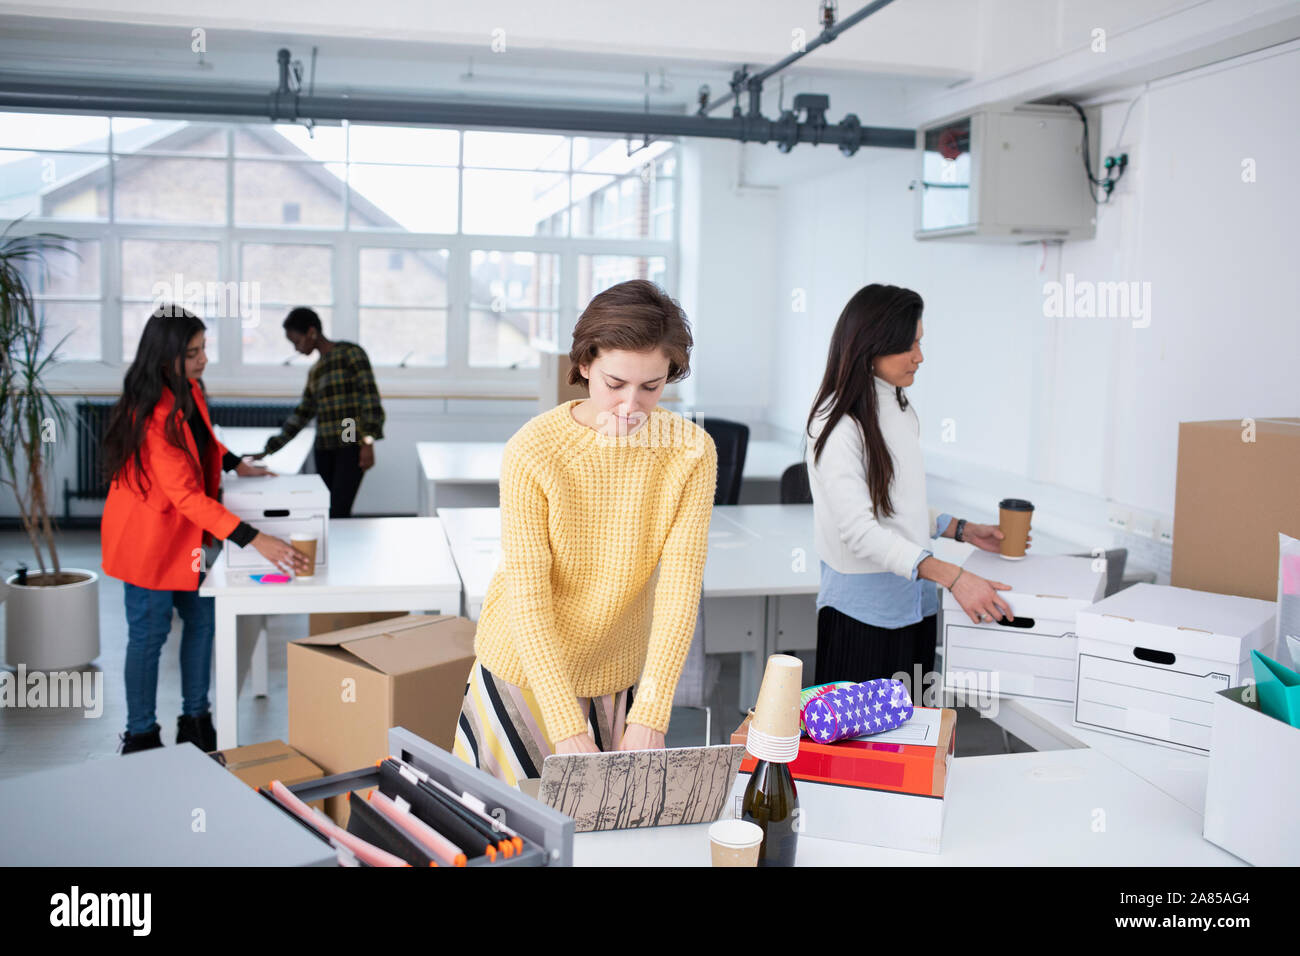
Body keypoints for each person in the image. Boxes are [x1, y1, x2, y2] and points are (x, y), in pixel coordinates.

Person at [452, 280, 718, 787]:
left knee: (601, 840)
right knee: (505, 834)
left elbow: (680, 593)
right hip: (523, 672)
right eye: (615, 384)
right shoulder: (534, 450)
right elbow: (529, 597)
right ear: (585, 363)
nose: (630, 406)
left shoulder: (691, 452)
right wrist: (567, 728)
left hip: (615, 677)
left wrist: (652, 715)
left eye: (651, 387)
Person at [101, 306, 310, 755]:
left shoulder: (188, 388)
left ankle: (196, 719)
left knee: (201, 620)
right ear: (165, 358)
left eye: (203, 349)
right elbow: (186, 496)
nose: (203, 359)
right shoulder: (150, 416)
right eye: (193, 352)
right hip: (148, 542)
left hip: (187, 538)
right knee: (149, 634)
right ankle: (140, 734)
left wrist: (237, 464)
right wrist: (256, 539)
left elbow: (203, 439)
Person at [804, 284, 1030, 694]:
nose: (920, 357)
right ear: (872, 345)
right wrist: (954, 577)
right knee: (860, 752)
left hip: (914, 606)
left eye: (919, 343)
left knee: (911, 740)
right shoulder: (837, 423)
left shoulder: (895, 405)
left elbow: (892, 504)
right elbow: (858, 531)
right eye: (909, 346)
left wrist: (960, 529)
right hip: (864, 618)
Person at [253, 308, 385, 518]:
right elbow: (302, 414)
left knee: (340, 509)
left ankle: (342, 548)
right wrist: (268, 449)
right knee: (326, 509)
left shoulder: (350, 353)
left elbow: (370, 399)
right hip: (323, 447)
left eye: (297, 341)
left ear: (312, 332)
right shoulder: (316, 370)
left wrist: (367, 441)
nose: (297, 348)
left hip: (349, 438)